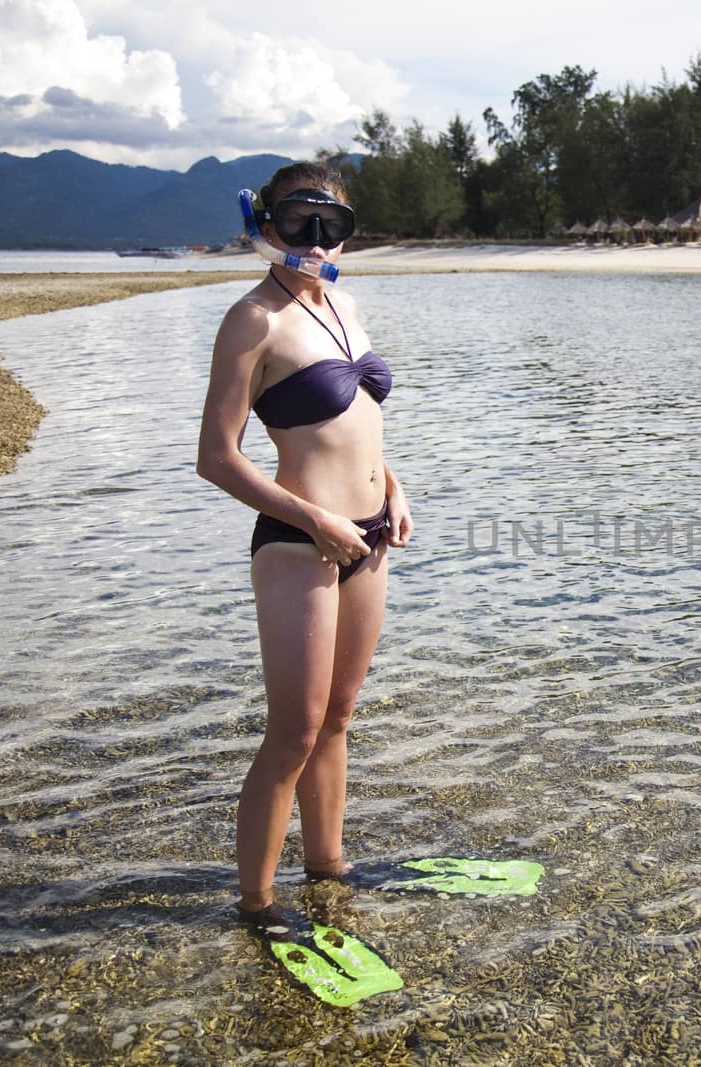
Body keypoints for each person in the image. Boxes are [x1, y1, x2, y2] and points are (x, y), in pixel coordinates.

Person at [196, 162, 411, 920]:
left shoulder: (346, 305)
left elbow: (355, 421)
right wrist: (316, 518)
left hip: (372, 536)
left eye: (332, 226)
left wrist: (393, 483)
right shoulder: (254, 319)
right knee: (293, 728)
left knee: (340, 716)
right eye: (300, 224)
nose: (316, 241)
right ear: (265, 223)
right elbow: (216, 457)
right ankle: (255, 903)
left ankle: (327, 866)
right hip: (300, 540)